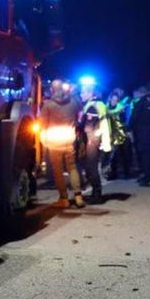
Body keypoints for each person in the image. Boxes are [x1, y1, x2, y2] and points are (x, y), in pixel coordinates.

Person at [40, 80, 85, 208]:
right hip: (69, 139)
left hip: (54, 141)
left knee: (58, 171)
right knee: (72, 168)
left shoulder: (48, 105)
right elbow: (80, 116)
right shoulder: (73, 102)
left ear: (52, 90)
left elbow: (42, 125)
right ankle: (78, 197)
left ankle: (64, 199)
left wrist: (44, 140)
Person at [78, 83, 110, 204]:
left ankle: (97, 195)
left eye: (83, 92)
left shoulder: (93, 106)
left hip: (92, 139)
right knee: (91, 167)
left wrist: (77, 124)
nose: (81, 94)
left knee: (91, 168)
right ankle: (96, 193)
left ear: (90, 93)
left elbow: (88, 126)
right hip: (96, 139)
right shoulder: (99, 104)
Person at [106, 88, 133, 179]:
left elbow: (125, 120)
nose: (114, 101)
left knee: (123, 153)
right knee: (112, 155)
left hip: (121, 133)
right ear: (110, 99)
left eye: (116, 100)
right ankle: (113, 173)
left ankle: (126, 172)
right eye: (113, 100)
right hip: (110, 134)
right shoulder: (106, 108)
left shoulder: (122, 108)